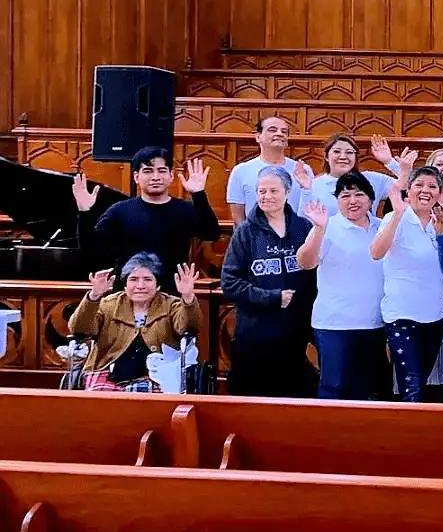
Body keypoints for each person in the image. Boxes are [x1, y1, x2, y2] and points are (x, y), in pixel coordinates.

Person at [221, 165, 316, 397]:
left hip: (296, 336)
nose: (266, 197)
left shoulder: (304, 228)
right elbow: (229, 282)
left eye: (273, 191)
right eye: (261, 191)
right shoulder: (245, 233)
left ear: (287, 192)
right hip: (255, 335)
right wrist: (271, 298)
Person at [295, 172, 388, 401]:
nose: (352, 200)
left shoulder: (382, 227)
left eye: (359, 194)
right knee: (334, 386)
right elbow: (305, 262)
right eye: (345, 196)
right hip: (335, 324)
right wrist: (318, 229)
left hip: (374, 323)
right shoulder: (328, 226)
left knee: (366, 388)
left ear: (371, 199)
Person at [370, 166, 443, 403]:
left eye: (432, 186)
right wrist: (397, 214)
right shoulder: (394, 217)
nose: (425, 191)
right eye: (419, 185)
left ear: (440, 193)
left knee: (420, 379)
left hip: (435, 315)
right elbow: (376, 252)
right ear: (409, 189)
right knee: (411, 385)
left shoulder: (442, 221)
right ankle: (409, 434)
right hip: (402, 314)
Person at [73, 147, 219, 286]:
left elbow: (211, 233)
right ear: (136, 176)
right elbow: (91, 251)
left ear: (171, 176)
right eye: (148, 171)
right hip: (127, 293)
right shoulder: (119, 211)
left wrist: (198, 195)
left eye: (162, 171)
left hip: (171, 294)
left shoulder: (185, 209)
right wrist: (85, 212)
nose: (155, 177)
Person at [70, 255, 200, 391]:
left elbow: (189, 327)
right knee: (102, 400)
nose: (140, 286)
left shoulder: (171, 304)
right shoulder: (109, 304)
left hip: (157, 374)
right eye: (133, 279)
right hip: (108, 371)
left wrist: (187, 296)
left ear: (158, 285)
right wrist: (94, 296)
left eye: (148, 279)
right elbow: (79, 329)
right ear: (125, 285)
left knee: (149, 398)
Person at [226, 115, 308, 221]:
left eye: (284, 131)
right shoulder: (241, 171)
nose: (279, 134)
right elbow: (238, 217)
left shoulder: (303, 170)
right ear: (258, 137)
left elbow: (309, 207)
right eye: (272, 130)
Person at [297, 134, 403, 216]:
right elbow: (303, 221)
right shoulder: (315, 184)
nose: (343, 157)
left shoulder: (372, 179)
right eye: (337, 151)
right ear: (326, 156)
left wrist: (389, 162)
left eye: (349, 152)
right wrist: (306, 191)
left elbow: (408, 185)